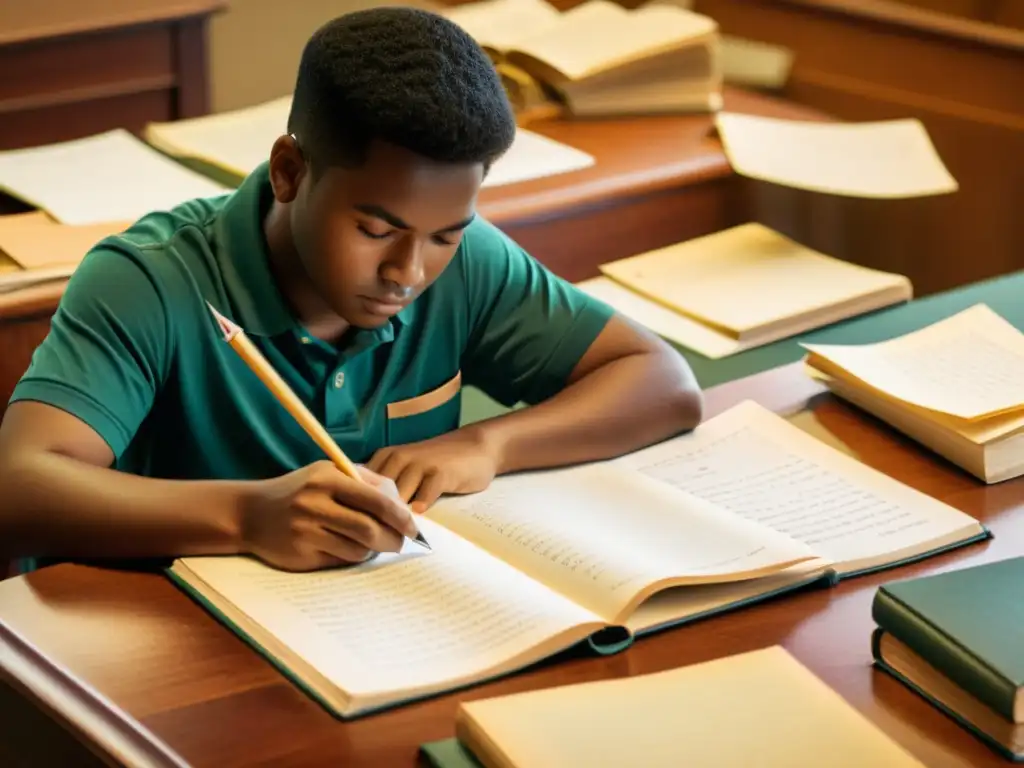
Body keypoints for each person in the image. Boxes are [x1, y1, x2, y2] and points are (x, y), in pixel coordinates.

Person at [0, 7, 702, 573]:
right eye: (375, 228)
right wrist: (248, 517)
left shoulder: (464, 259)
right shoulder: (148, 280)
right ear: (288, 172)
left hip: (368, 634)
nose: (409, 271)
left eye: (444, 234)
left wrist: (488, 445)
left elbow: (662, 382)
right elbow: (21, 487)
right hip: (156, 649)